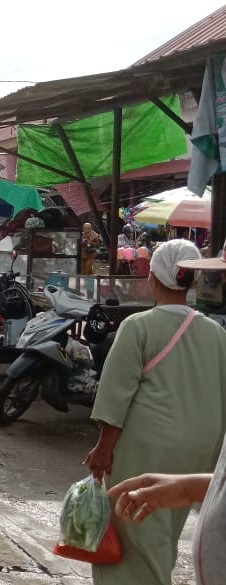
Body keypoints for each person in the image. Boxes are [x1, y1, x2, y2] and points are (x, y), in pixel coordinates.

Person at [83, 239, 226, 585]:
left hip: (149, 444)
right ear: (192, 279)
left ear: (152, 277)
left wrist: (103, 449)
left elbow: (116, 394)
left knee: (136, 533)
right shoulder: (216, 332)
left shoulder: (139, 325)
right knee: (166, 527)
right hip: (200, 446)